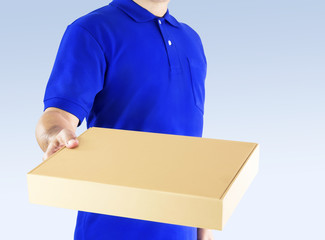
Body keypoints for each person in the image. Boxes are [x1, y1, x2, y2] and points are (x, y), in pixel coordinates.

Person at [35, 0, 214, 239]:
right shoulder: (91, 30)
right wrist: (55, 135)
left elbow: (191, 143)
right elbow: (58, 115)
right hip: (110, 229)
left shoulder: (191, 41)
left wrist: (204, 229)